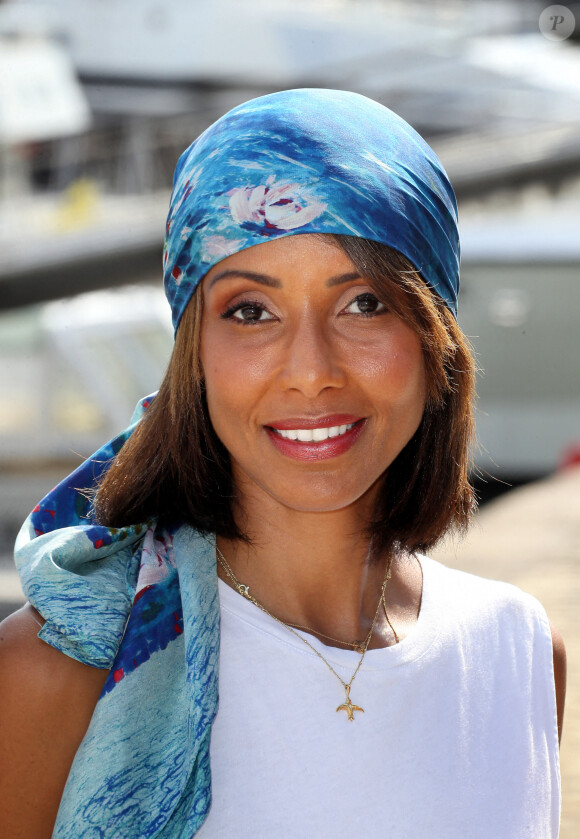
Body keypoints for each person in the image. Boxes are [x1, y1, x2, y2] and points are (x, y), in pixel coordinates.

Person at [0, 89, 565, 838]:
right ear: (193, 355)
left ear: (436, 337)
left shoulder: (519, 653)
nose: (310, 371)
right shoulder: (58, 672)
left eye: (364, 303)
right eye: (250, 311)